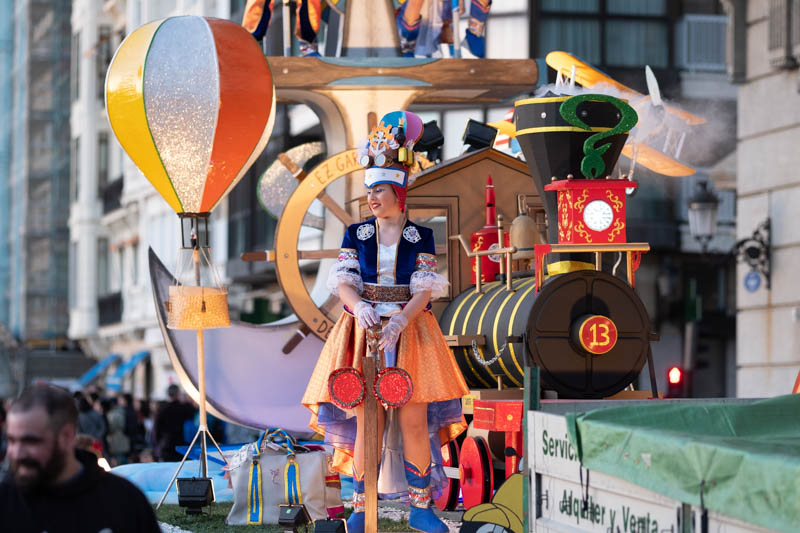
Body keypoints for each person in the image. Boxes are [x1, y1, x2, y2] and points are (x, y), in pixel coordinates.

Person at [302, 111, 469, 533]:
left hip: (410, 332)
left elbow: (423, 291)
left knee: (413, 420)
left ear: (399, 191)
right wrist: (359, 306)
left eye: (379, 189)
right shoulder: (356, 234)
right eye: (369, 189)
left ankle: (420, 509)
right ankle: (362, 509)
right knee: (367, 421)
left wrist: (399, 322)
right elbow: (344, 282)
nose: (372, 197)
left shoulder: (421, 236)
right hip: (364, 333)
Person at [0, 384, 161, 533]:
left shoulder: (124, 501)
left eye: (30, 441)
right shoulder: (6, 502)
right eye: (11, 441)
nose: (16, 453)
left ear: (66, 436)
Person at [153, 384, 195, 462]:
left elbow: (156, 429)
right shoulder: (184, 408)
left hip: (166, 445)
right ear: (178, 394)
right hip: (181, 446)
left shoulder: (162, 409)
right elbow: (193, 413)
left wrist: (158, 444)